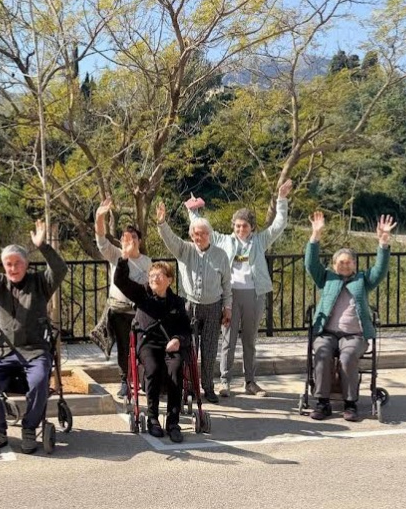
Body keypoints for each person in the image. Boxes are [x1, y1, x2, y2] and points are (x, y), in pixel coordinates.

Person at [0, 212, 68, 456]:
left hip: (34, 351)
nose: (13, 268)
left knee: (40, 380)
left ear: (26, 264)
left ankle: (29, 428)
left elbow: (60, 269)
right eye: (8, 264)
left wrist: (43, 246)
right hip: (3, 352)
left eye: (17, 263)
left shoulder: (40, 283)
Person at [185, 180, 292, 398]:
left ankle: (250, 381)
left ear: (252, 227)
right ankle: (225, 381)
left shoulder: (260, 241)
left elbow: (279, 225)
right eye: (237, 225)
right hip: (231, 295)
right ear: (233, 226)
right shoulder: (224, 241)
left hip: (254, 294)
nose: (241, 229)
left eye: (244, 225)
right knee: (228, 339)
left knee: (250, 340)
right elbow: (202, 228)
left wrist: (281, 199)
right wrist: (192, 210)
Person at [306, 211, 395, 422]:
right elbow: (310, 264)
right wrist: (315, 236)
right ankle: (322, 402)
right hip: (327, 333)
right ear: (333, 264)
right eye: (341, 262)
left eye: (348, 262)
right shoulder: (326, 278)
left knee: (347, 357)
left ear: (355, 264)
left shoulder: (363, 280)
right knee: (322, 353)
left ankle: (350, 403)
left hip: (355, 335)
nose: (345, 265)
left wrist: (383, 243)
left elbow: (380, 270)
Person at [156, 202, 232, 403]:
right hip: (189, 305)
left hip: (213, 306)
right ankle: (189, 387)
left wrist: (227, 307)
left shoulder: (220, 255)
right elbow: (170, 239)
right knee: (189, 348)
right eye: (196, 234)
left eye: (204, 233)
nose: (200, 237)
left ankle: (208, 387)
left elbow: (226, 284)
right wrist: (162, 223)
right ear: (191, 235)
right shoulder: (185, 250)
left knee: (209, 349)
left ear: (210, 235)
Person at [114, 258, 190, 443]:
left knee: (176, 369)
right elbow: (120, 281)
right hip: (148, 344)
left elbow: (186, 330)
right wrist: (123, 259)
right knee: (153, 368)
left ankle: (173, 422)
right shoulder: (143, 295)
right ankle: (153, 418)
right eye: (151, 275)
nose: (154, 278)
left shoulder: (177, 303)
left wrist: (177, 340)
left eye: (159, 275)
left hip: (170, 344)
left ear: (169, 280)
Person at [94, 198, 153, 399]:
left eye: (134, 237)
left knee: (142, 347)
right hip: (119, 311)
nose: (131, 240)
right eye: (126, 237)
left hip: (140, 312)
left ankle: (143, 379)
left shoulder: (147, 261)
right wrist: (99, 217)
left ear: (139, 241)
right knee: (123, 348)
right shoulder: (116, 255)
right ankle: (124, 381)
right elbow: (101, 239)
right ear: (121, 240)